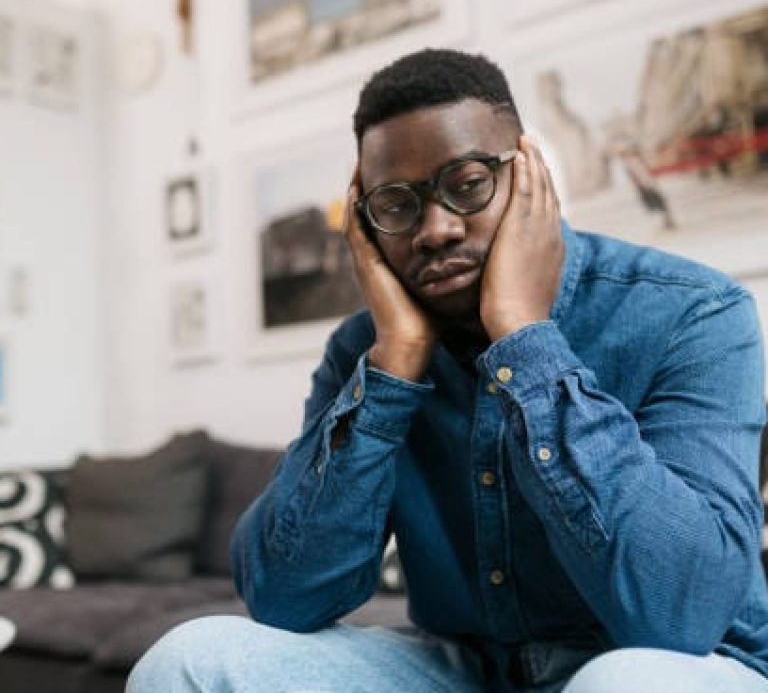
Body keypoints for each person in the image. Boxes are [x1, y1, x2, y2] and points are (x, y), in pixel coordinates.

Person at [127, 49, 768, 692]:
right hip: (469, 670)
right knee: (190, 659)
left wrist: (524, 337)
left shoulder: (694, 312)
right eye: (395, 205)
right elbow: (283, 599)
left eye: (467, 184)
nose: (435, 230)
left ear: (530, 176)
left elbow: (683, 616)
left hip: (677, 665)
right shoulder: (365, 350)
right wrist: (393, 367)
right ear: (364, 223)